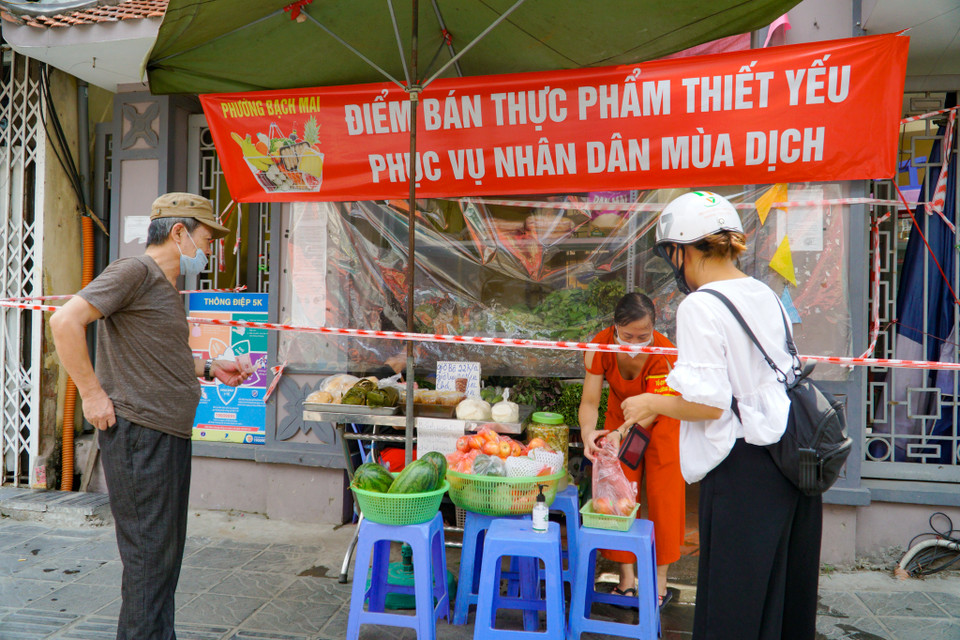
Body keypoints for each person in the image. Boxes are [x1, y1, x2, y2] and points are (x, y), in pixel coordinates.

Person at [50, 193, 252, 640]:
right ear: (179, 232)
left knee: (161, 561)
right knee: (149, 561)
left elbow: (152, 352)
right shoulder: (134, 271)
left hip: (166, 434)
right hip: (141, 435)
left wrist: (209, 368)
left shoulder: (162, 283)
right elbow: (64, 322)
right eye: (206, 238)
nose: (210, 249)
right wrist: (92, 394)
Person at [620, 191, 822, 640]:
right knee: (778, 595)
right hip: (791, 462)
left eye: (671, 254)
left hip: (743, 469)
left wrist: (650, 403)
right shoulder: (764, 293)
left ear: (683, 249)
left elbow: (709, 403)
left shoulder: (701, 305)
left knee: (733, 605)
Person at [579, 292, 685, 610]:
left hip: (661, 425)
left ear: (654, 327)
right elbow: (589, 402)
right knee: (616, 496)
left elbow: (650, 411)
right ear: (614, 328)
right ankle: (625, 579)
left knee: (664, 497)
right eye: (627, 336)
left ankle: (659, 582)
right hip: (617, 418)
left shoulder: (663, 352)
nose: (636, 342)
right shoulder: (600, 346)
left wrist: (618, 433)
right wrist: (588, 434)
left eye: (643, 335)